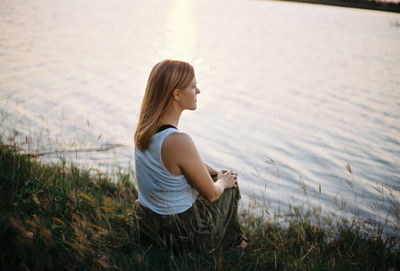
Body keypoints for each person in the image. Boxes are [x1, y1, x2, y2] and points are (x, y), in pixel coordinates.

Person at [133, 59, 248, 252]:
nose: (198, 92)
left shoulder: (145, 130)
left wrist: (216, 174)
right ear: (177, 94)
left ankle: (234, 241)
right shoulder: (179, 141)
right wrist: (223, 181)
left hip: (147, 223)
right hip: (179, 234)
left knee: (219, 176)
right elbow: (212, 194)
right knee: (230, 181)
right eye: (193, 86)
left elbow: (188, 164)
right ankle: (235, 243)